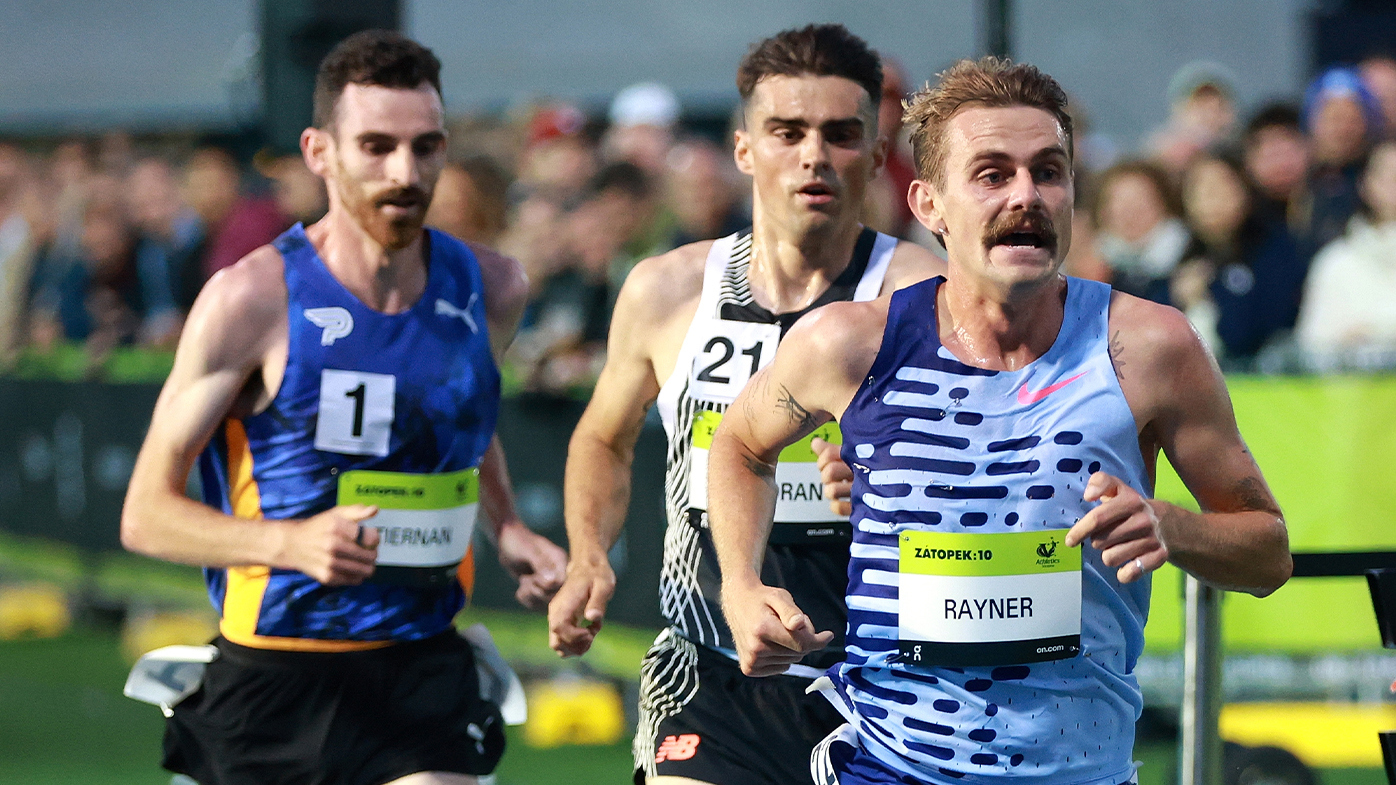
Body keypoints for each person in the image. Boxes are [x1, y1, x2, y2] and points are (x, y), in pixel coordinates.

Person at [706, 57, 1291, 785]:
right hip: (889, 764)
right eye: (991, 174)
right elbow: (736, 443)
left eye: (1048, 171)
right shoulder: (849, 343)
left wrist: (1171, 526)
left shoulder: (1148, 346)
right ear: (929, 205)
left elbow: (1269, 552)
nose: (1027, 196)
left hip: (1082, 770)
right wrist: (740, 583)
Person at [120, 30, 566, 785]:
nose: (405, 172)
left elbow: (464, 413)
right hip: (274, 674)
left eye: (426, 147)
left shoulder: (492, 288)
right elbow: (144, 515)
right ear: (319, 152)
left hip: (422, 667)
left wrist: (508, 523)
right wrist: (290, 545)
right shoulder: (251, 299)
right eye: (376, 146)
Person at [546, 23, 945, 785]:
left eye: (840, 133)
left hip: (880, 679)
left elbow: (977, 482)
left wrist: (890, 488)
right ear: (743, 149)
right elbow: (603, 436)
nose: (813, 156)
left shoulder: (922, 297)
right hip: (711, 668)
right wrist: (588, 555)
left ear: (874, 150)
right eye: (787, 131)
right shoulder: (668, 289)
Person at [1296, 140, 1396, 358]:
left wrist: (1371, 331)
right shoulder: (1335, 263)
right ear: (1365, 184)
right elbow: (1313, 351)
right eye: (1387, 175)